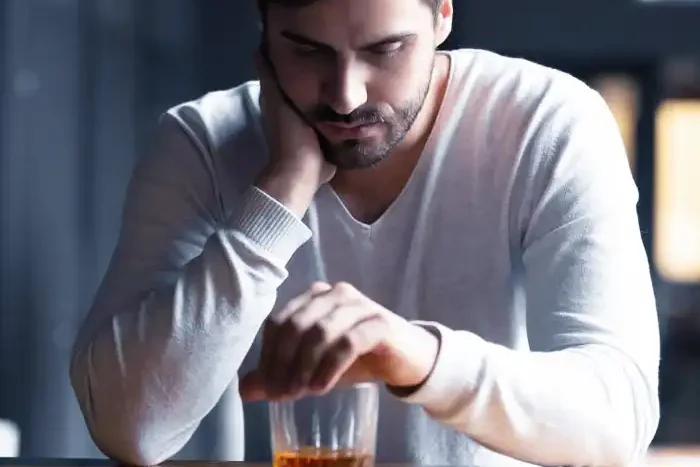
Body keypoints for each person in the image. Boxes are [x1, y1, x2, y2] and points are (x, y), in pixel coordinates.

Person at [69, 0, 661, 466]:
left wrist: (414, 356)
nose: (345, 95)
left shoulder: (547, 121)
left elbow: (619, 417)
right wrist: (280, 192)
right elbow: (132, 429)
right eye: (306, 51)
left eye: (386, 49)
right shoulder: (202, 142)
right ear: (264, 32)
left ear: (443, 16)